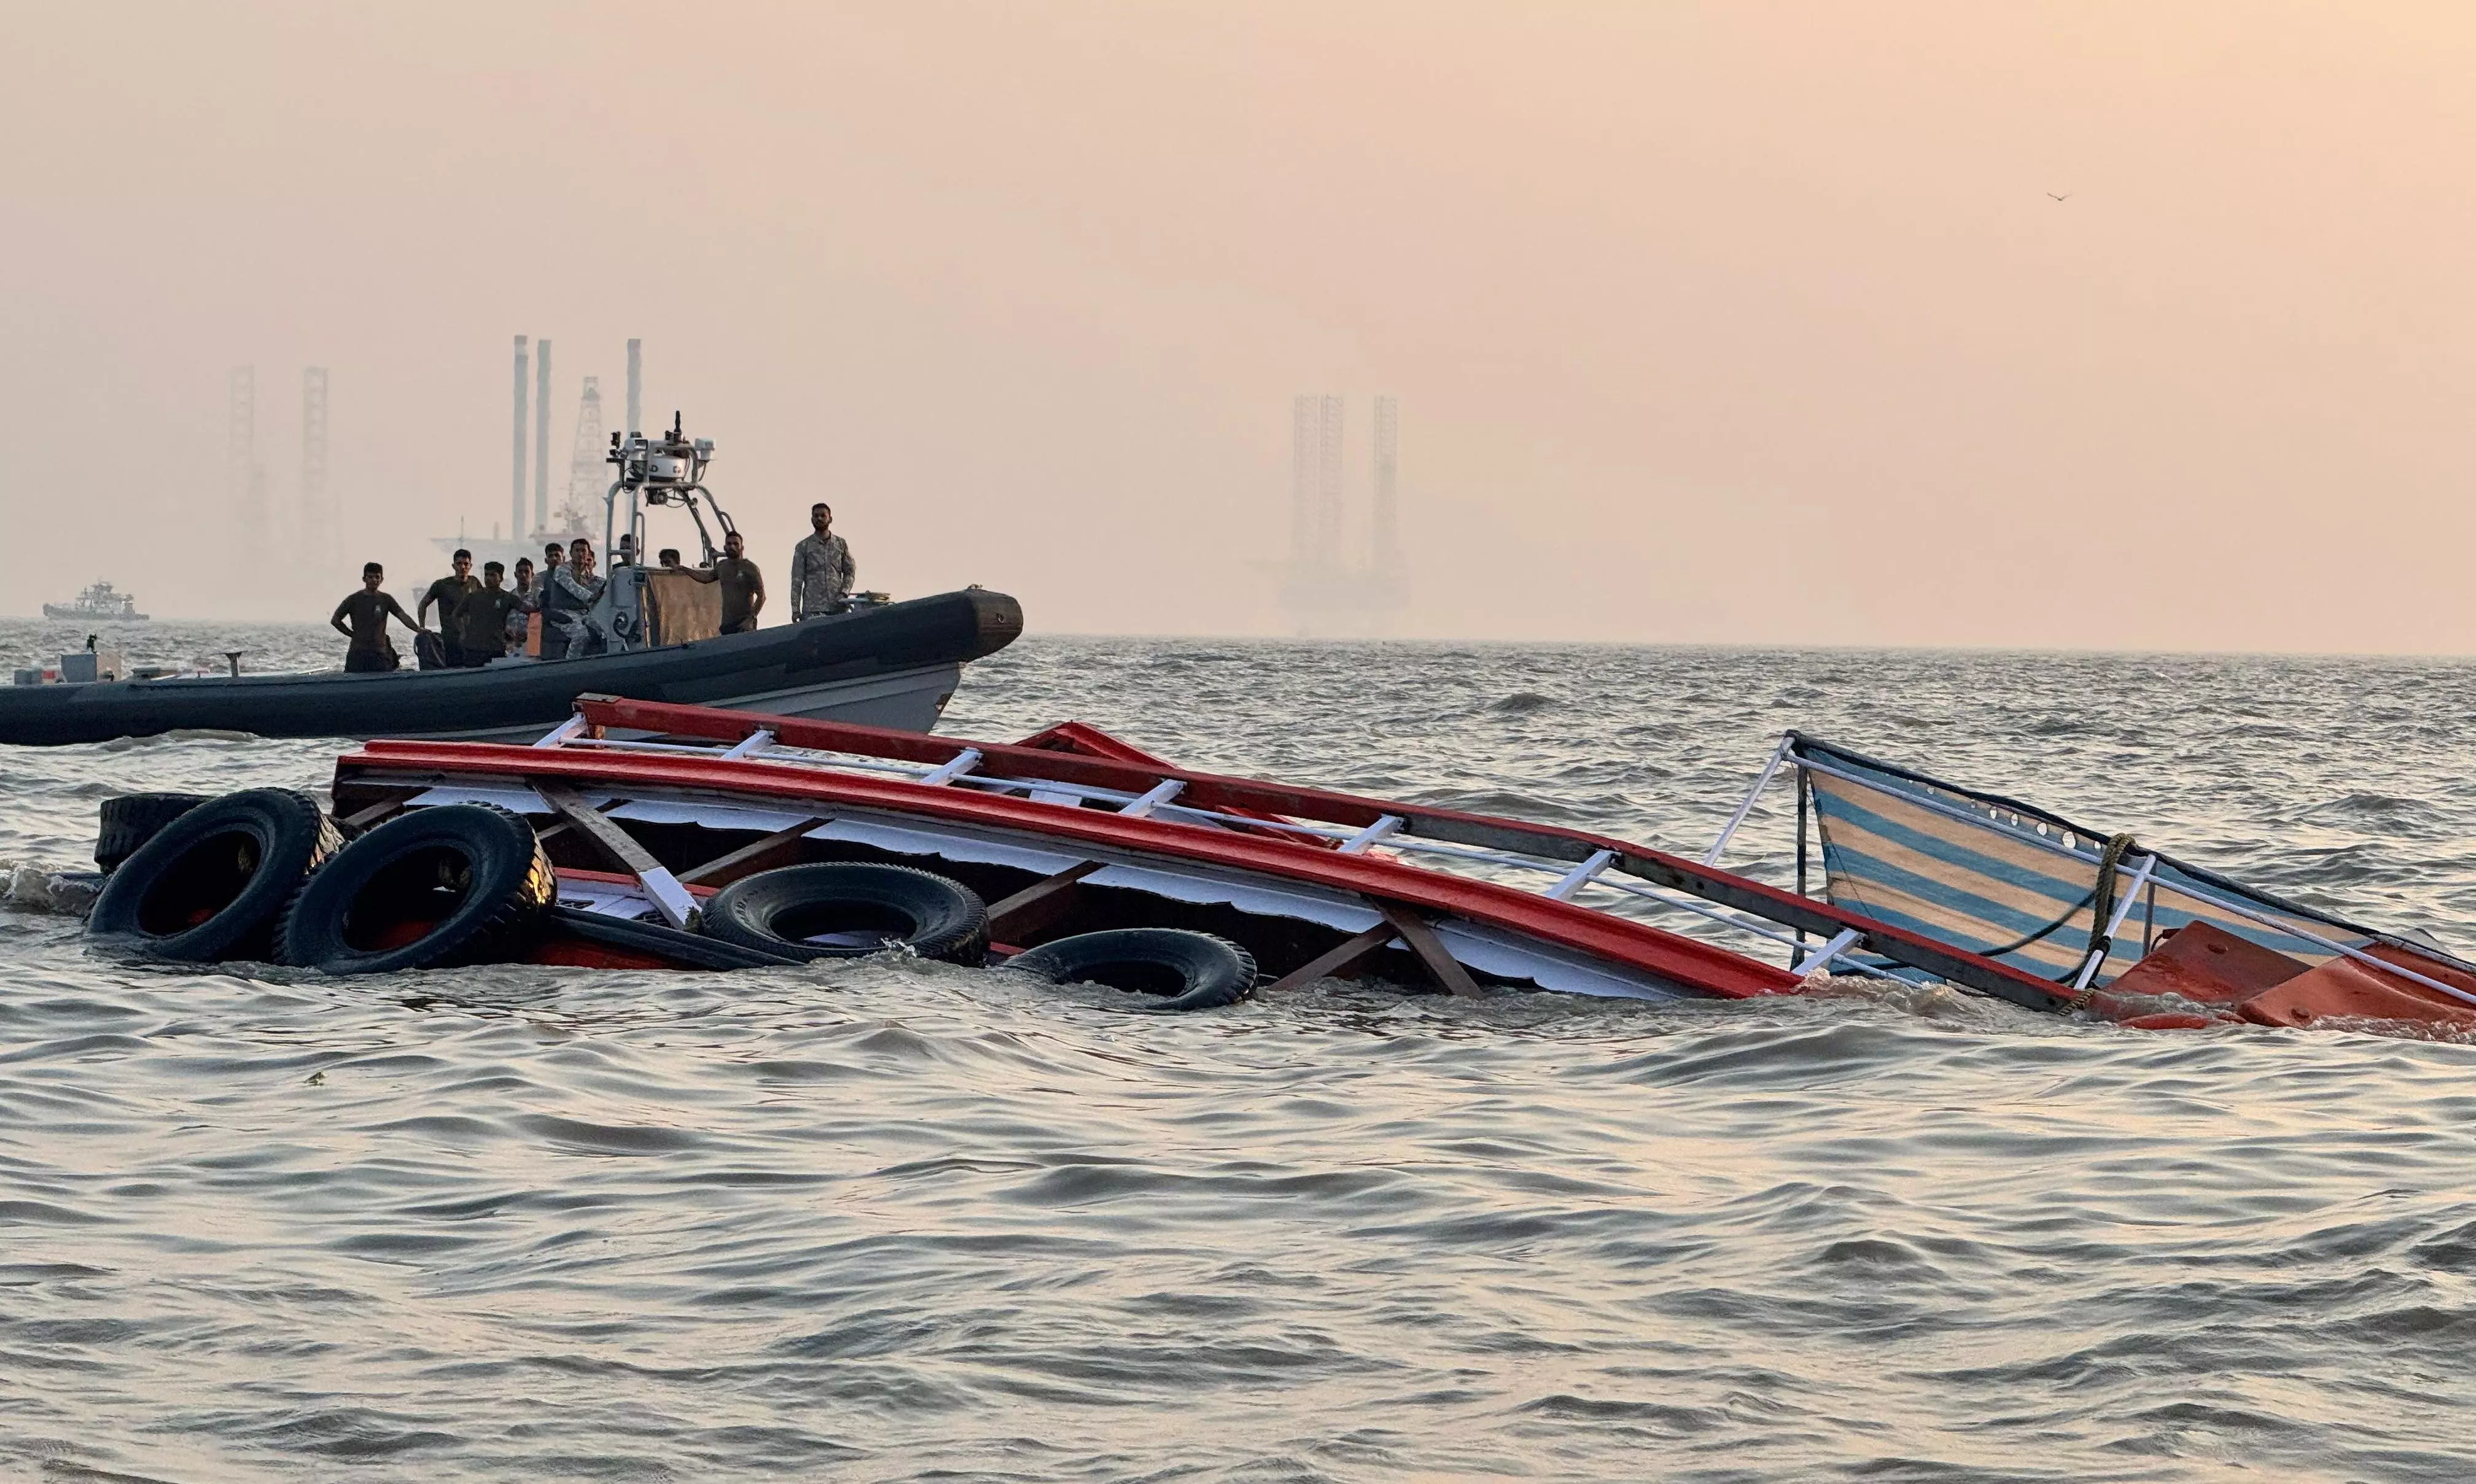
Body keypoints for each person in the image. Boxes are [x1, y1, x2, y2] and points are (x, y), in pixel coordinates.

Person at [329, 562, 425, 673]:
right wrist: (351, 634)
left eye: (377, 577)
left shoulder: (386, 599)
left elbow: (403, 616)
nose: (374, 580)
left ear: (382, 580)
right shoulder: (354, 599)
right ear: (364, 579)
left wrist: (418, 629)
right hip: (358, 653)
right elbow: (335, 620)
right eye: (370, 577)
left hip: (379, 653)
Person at [684, 529, 766, 634]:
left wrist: (751, 619)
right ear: (725, 547)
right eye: (729, 544)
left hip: (744, 624)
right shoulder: (722, 566)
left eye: (736, 544)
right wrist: (683, 569)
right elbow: (705, 578)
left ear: (742, 548)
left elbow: (762, 596)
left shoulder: (750, 568)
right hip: (727, 624)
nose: (732, 547)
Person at [788, 502, 854, 621]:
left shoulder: (840, 544)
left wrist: (844, 592)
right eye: (816, 516)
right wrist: (795, 610)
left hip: (838, 607)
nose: (819, 518)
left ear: (830, 519)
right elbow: (797, 581)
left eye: (823, 516)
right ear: (812, 519)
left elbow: (850, 572)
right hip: (813, 609)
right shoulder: (803, 547)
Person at [418, 550, 481, 669]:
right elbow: (423, 605)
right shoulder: (442, 585)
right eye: (459, 564)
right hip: (450, 639)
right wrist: (422, 628)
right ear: (454, 566)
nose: (463, 567)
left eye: (466, 564)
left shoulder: (475, 583)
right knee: (454, 669)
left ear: (470, 566)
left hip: (471, 639)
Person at [544, 537, 605, 658]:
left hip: (583, 613)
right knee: (581, 635)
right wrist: (591, 597)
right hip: (563, 612)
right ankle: (570, 664)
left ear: (588, 554)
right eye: (577, 551)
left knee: (605, 631)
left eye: (583, 551)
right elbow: (573, 587)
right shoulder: (562, 570)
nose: (580, 554)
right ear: (571, 553)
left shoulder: (587, 574)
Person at [455, 561, 522, 666]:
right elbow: (456, 615)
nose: (488, 578)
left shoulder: (508, 598)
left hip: (496, 649)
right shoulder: (473, 596)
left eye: (493, 575)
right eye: (486, 575)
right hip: (473, 649)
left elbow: (528, 610)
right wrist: (463, 632)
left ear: (501, 578)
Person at [507, 557, 539, 656]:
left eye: (526, 572)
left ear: (532, 575)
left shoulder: (537, 597)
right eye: (520, 572)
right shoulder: (509, 597)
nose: (523, 575)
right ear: (515, 575)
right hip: (511, 646)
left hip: (531, 644)